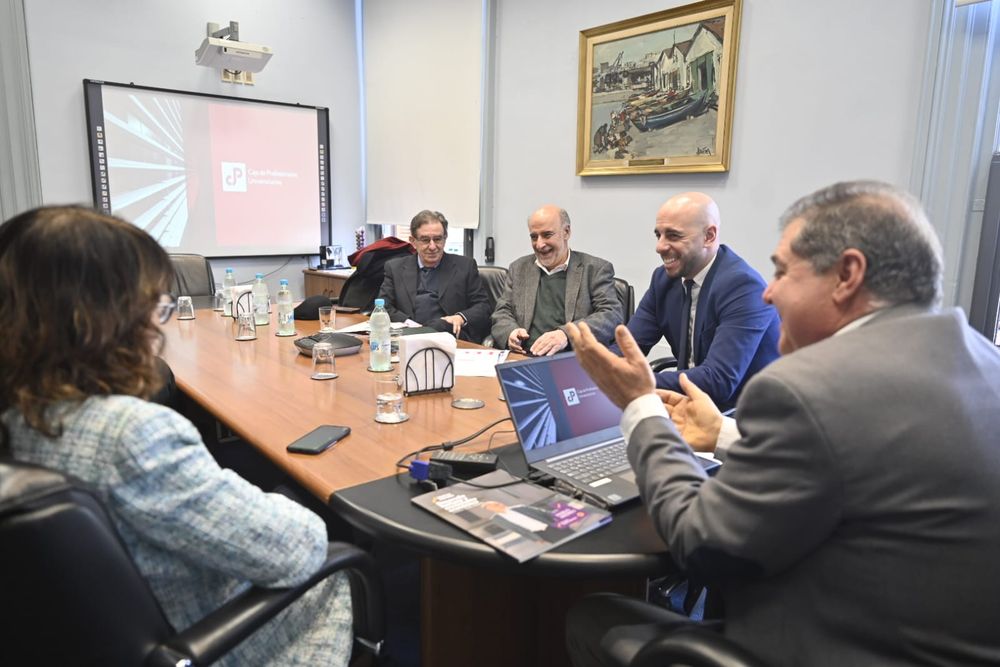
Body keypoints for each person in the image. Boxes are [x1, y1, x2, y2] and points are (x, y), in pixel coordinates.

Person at [563, 181, 1000, 666]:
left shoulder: (808, 387)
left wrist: (641, 408)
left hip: (838, 644)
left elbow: (699, 543)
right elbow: (858, 456)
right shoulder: (983, 362)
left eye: (783, 271)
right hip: (917, 627)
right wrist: (724, 435)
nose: (768, 293)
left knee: (591, 618)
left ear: (847, 275)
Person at [0, 206, 354, 667]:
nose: (156, 320)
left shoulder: (19, 416)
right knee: (336, 551)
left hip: (87, 626)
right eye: (150, 302)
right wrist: (281, 502)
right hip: (209, 635)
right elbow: (296, 549)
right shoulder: (132, 435)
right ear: (105, 316)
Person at [622, 192, 780, 411]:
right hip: (688, 403)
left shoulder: (743, 286)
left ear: (709, 236)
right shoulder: (663, 280)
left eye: (673, 236)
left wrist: (632, 380)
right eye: (658, 235)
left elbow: (718, 380)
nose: (660, 246)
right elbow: (628, 346)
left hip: (746, 414)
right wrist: (591, 368)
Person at [491, 205, 622, 355]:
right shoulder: (519, 268)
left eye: (547, 235)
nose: (540, 244)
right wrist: (510, 332)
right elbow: (502, 312)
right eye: (534, 237)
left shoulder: (595, 269)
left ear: (566, 232)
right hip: (523, 357)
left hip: (571, 359)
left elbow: (611, 315)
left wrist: (566, 334)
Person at [378, 209, 492, 342]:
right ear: (413, 241)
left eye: (437, 239)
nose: (432, 247)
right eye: (425, 240)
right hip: (408, 336)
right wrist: (410, 325)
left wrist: (460, 317)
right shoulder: (395, 268)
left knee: (440, 325)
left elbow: (483, 306)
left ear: (445, 238)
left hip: (450, 338)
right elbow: (383, 306)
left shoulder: (465, 266)